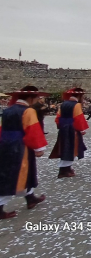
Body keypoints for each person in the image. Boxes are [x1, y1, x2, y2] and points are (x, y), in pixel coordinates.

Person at [0, 86, 49, 219]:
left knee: (19, 172)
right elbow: (32, 130)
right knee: (15, 174)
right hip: (20, 146)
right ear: (30, 98)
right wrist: (39, 148)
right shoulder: (28, 111)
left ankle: (30, 197)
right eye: (36, 97)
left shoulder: (7, 110)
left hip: (5, 145)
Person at [49, 88, 89, 178]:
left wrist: (61, 126)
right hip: (72, 129)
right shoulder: (77, 105)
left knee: (64, 147)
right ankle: (64, 170)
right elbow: (78, 118)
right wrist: (82, 129)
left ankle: (66, 168)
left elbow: (58, 118)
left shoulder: (63, 104)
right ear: (79, 96)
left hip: (63, 128)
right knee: (71, 148)